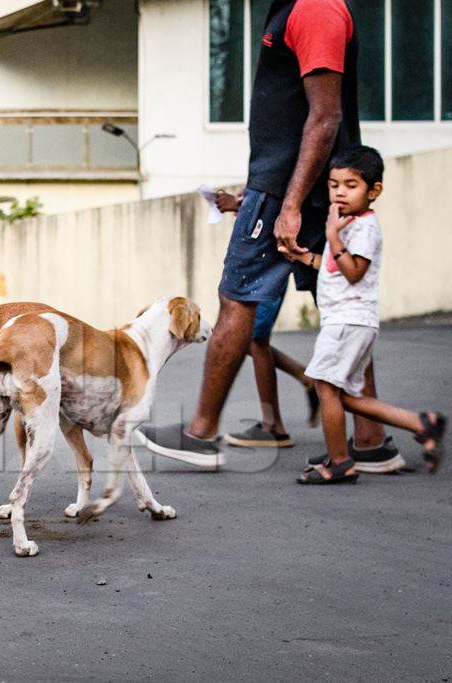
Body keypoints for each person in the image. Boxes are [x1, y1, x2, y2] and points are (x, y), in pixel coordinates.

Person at [138, 0, 400, 471]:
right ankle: (371, 438)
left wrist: (291, 202)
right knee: (340, 302)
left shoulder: (316, 8)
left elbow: (325, 118)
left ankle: (200, 432)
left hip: (286, 192)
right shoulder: (295, 7)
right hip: (285, 186)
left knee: (237, 298)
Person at [284, 146, 445, 483]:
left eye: (351, 185)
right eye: (333, 184)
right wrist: (303, 258)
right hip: (346, 320)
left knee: (325, 386)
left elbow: (354, 271)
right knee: (345, 397)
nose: (340, 192)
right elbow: (333, 268)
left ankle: (340, 462)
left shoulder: (364, 228)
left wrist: (332, 236)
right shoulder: (347, 223)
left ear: (374, 191)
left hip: (349, 320)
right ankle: (421, 423)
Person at [213, 189, 320, 450]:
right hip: (268, 254)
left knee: (254, 338)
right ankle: (305, 380)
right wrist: (240, 203)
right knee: (252, 338)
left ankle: (274, 427)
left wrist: (239, 202)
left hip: (269, 258)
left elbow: (277, 197)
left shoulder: (288, 158)